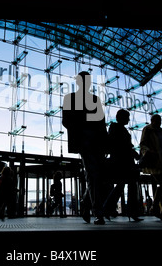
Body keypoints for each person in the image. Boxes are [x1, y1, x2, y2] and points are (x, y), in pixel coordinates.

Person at [62, 71, 108, 225]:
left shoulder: (94, 99)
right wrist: (85, 124)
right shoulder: (71, 98)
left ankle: (86, 202)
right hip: (84, 142)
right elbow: (66, 121)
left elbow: (102, 123)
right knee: (94, 175)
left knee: (96, 176)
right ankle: (98, 212)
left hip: (96, 143)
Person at [103, 109, 142, 221]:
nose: (129, 119)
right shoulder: (117, 129)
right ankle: (131, 212)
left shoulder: (116, 128)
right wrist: (135, 155)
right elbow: (124, 146)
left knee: (122, 185)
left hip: (123, 161)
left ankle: (108, 208)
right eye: (127, 117)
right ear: (122, 117)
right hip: (123, 162)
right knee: (129, 185)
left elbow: (125, 145)